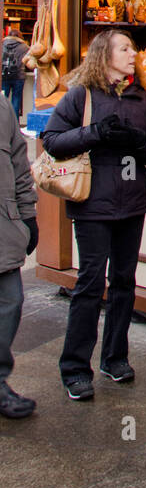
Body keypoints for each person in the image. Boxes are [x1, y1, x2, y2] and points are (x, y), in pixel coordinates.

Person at [41, 30, 146, 400]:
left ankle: (115, 358)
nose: (133, 54)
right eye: (125, 48)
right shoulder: (81, 95)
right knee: (90, 284)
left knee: (125, 282)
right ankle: (75, 369)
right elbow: (52, 140)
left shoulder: (142, 99)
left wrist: (137, 140)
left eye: (133, 48)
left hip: (132, 203)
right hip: (93, 204)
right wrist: (94, 133)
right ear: (104, 55)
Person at [0, 91, 38, 418]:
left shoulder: (1, 106)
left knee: (10, 303)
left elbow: (19, 163)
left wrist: (28, 216)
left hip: (4, 229)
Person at [2, 23, 28, 122]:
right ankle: (15, 126)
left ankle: (3, 125)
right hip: (18, 76)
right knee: (16, 101)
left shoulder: (2, 44)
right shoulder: (24, 46)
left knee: (3, 101)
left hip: (4, 76)